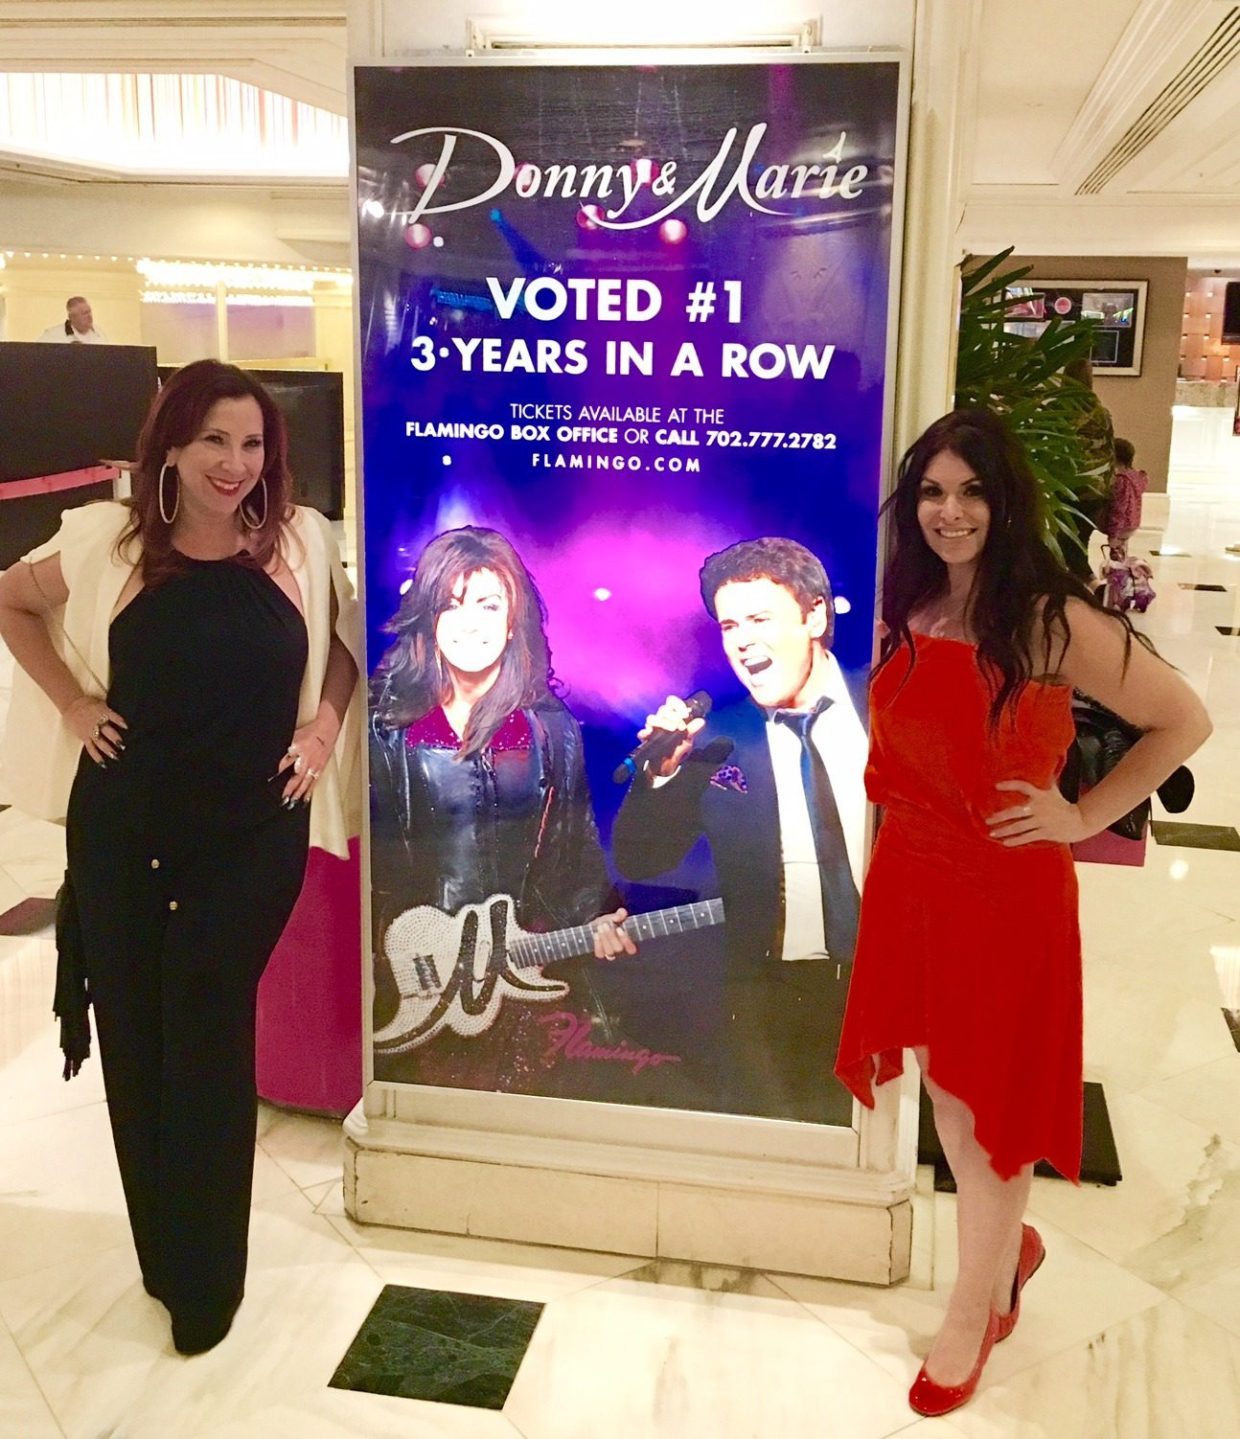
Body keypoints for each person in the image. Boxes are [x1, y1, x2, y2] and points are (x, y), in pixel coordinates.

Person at [833, 408, 1210, 1417]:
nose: (950, 512)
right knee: (945, 1095)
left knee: (978, 1106)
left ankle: (977, 1302)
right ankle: (1004, 1259)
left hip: (1004, 891)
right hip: (913, 877)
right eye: (932, 492)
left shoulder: (1048, 617)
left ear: (1005, 502)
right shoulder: (904, 601)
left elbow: (1184, 718)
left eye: (971, 491)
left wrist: (1082, 811)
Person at [0, 359, 360, 1356]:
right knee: (137, 1034)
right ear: (171, 444)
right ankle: (165, 1258)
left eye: (252, 444)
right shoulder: (108, 543)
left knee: (202, 1029)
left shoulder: (299, 539)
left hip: (252, 830)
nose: (235, 464)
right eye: (214, 441)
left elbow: (343, 646)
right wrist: (74, 703)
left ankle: (208, 1282)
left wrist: (324, 728)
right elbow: (9, 601)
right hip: (123, 825)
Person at [368, 525, 635, 1094]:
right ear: (428, 617)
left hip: (527, 968)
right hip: (419, 973)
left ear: (513, 619)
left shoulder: (551, 727)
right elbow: (376, 864)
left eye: (489, 605)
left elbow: (577, 846)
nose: (471, 622)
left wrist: (600, 916)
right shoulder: (387, 726)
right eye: (453, 605)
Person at [612, 537, 868, 1123]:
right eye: (730, 625)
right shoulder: (718, 738)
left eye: (759, 618)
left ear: (815, 616)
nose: (742, 640)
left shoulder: (885, 703)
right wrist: (659, 777)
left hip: (886, 984)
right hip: (771, 998)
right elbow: (641, 858)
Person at [37, 295, 108, 343]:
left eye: (89, 312)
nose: (89, 316)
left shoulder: (99, 333)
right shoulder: (52, 335)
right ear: (72, 317)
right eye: (84, 313)